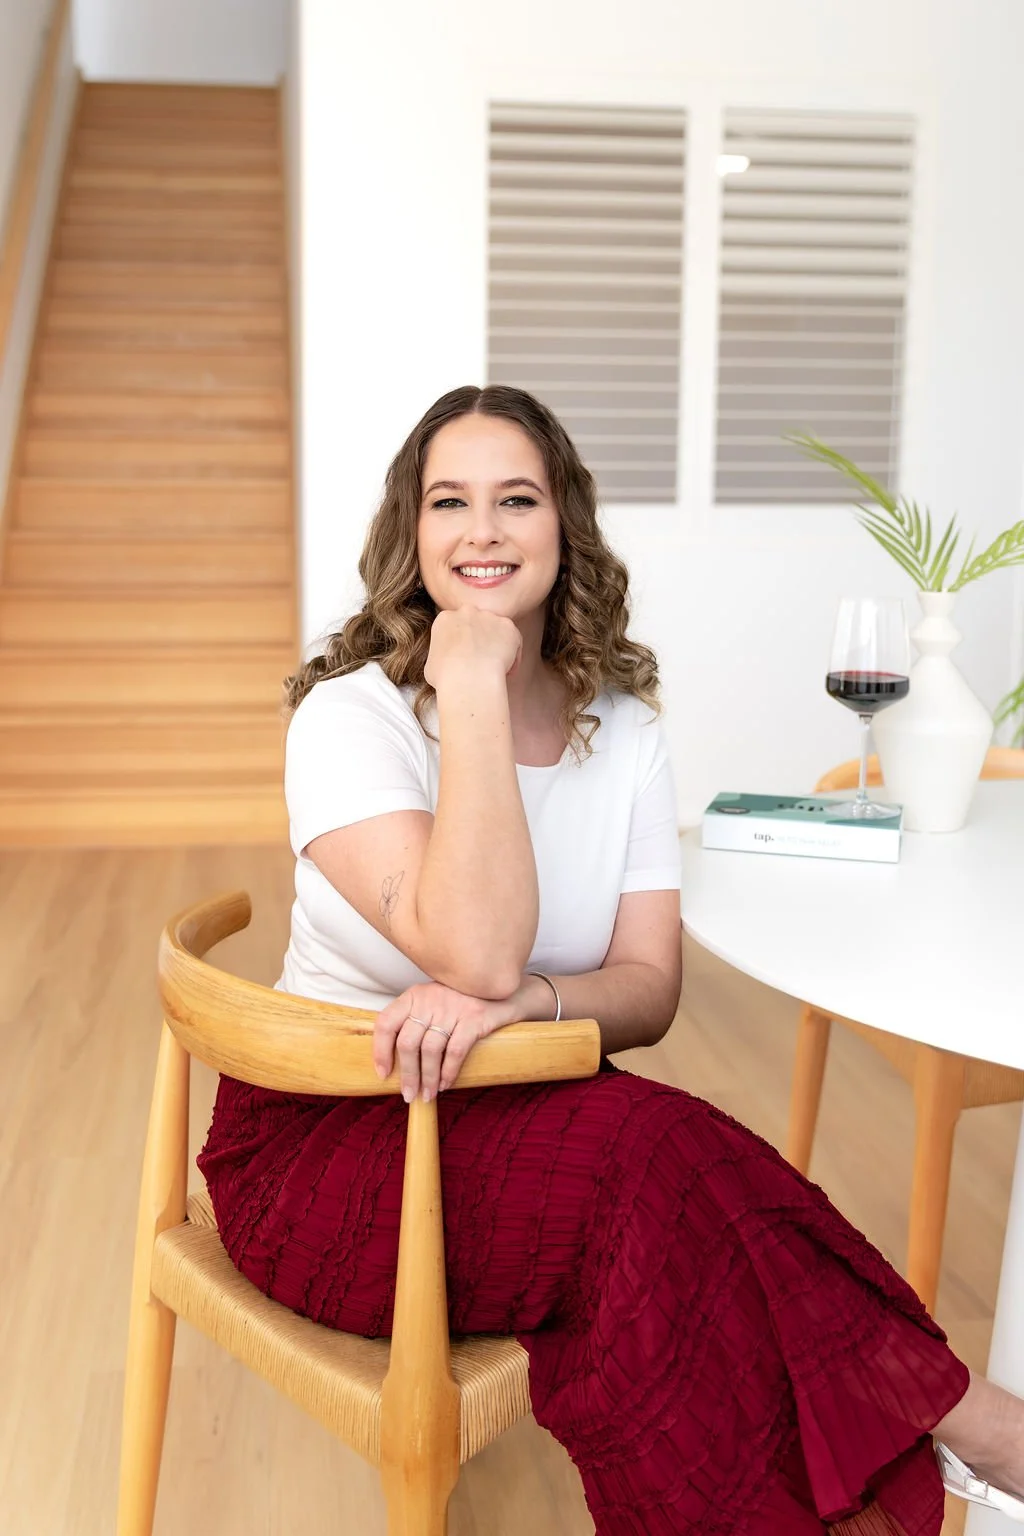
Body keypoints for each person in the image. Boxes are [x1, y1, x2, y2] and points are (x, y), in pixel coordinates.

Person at [198, 385, 1024, 1535]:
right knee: (656, 1172)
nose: (482, 530)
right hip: (330, 1143)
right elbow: (476, 948)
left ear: (563, 524)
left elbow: (648, 988)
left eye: (516, 500)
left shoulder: (621, 727)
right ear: (412, 532)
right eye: (451, 502)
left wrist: (533, 1004)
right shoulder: (352, 718)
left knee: (662, 1224)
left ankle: (890, 1479)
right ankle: (969, 1429)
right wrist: (473, 681)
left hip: (511, 1106)